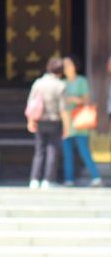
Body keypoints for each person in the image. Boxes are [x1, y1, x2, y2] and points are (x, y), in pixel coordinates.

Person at [25, 57, 67, 189]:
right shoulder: (61, 85)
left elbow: (31, 102)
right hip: (54, 120)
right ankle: (48, 180)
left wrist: (30, 120)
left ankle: (34, 179)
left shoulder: (38, 83)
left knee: (39, 150)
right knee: (52, 150)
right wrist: (67, 126)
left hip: (39, 120)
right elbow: (63, 109)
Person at [62, 54, 103, 187]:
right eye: (64, 65)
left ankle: (96, 177)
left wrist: (74, 99)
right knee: (67, 152)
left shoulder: (81, 81)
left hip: (79, 121)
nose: (66, 68)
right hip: (66, 122)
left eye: (69, 64)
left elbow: (87, 100)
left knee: (83, 150)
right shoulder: (62, 83)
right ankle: (69, 179)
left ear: (75, 66)